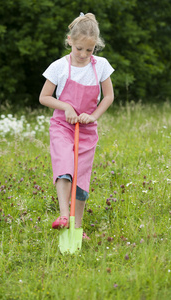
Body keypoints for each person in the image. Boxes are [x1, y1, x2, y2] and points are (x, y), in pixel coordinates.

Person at [39, 12, 114, 240]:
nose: (83, 54)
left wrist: (94, 116)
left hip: (87, 130)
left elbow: (109, 96)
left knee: (81, 177)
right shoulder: (58, 67)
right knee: (64, 166)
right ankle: (64, 215)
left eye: (89, 50)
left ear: (95, 47)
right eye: (79, 48)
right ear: (70, 40)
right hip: (63, 125)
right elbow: (44, 97)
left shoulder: (101, 66)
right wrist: (66, 107)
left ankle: (76, 228)